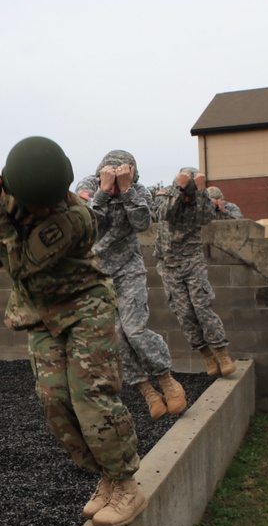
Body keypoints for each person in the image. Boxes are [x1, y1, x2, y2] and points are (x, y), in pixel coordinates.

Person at [0, 136, 146, 526]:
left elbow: (22, 267)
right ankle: (106, 476)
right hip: (41, 314)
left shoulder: (76, 219)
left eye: (48, 201)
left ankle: (127, 484)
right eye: (36, 204)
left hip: (85, 307)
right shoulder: (12, 198)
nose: (43, 209)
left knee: (91, 395)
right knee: (54, 401)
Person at [75, 150, 186, 420]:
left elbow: (143, 223)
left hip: (128, 270)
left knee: (134, 330)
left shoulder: (138, 190)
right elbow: (86, 225)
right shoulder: (87, 186)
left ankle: (166, 379)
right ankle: (146, 390)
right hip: (99, 274)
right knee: (115, 338)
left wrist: (126, 190)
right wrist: (103, 191)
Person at [153, 167, 236, 378]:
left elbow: (206, 217)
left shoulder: (199, 201)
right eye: (186, 195)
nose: (188, 200)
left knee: (202, 307)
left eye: (191, 196)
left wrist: (199, 192)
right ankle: (206, 354)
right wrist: (180, 191)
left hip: (192, 262)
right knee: (184, 314)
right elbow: (164, 214)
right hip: (170, 266)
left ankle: (221, 352)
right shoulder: (168, 196)